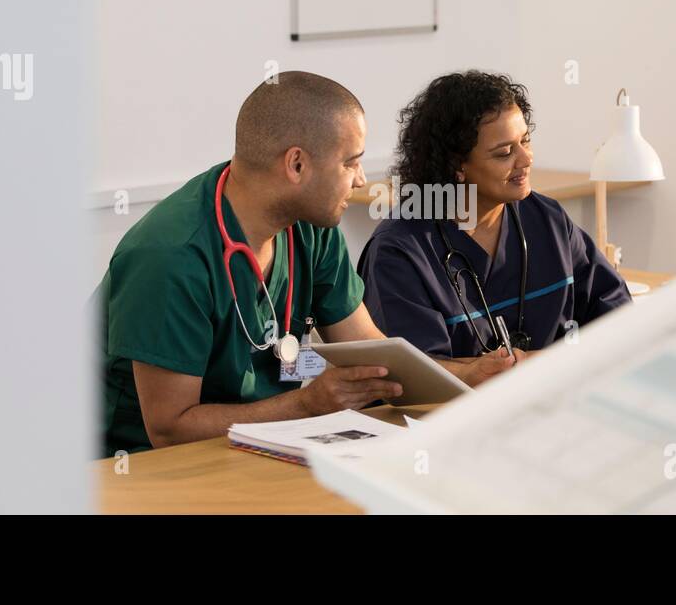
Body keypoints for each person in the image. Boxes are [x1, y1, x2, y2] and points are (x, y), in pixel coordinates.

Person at [97, 72, 514, 455]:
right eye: (350, 162)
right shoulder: (170, 256)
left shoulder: (311, 225)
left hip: (259, 444)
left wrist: (467, 375)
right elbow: (169, 429)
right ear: (296, 165)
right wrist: (306, 405)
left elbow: (370, 353)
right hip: (136, 466)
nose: (361, 180)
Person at [357, 71, 631, 360]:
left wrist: (540, 364)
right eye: (504, 153)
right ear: (457, 165)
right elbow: (415, 371)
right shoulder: (400, 251)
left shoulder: (548, 220)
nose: (526, 159)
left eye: (525, 141)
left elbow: (618, 315)